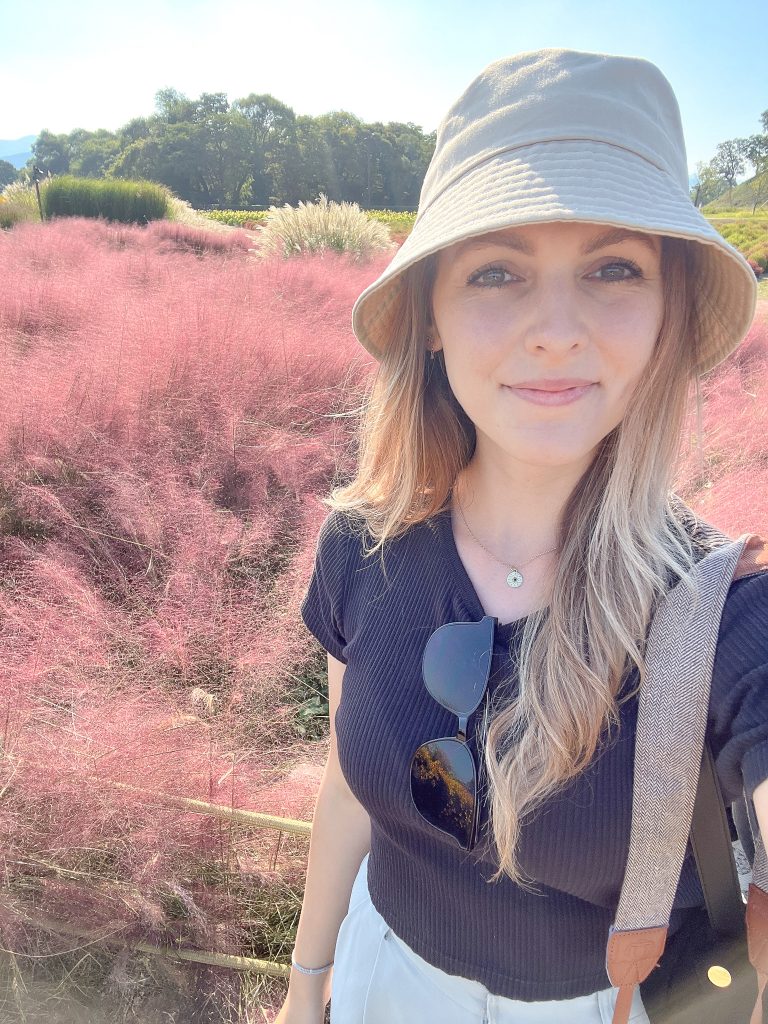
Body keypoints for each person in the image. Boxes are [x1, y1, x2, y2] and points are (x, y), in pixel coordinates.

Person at [274, 49, 766, 1024]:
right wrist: (306, 984)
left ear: (667, 315)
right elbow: (349, 783)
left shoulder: (732, 616)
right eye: (497, 270)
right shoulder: (362, 546)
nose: (555, 328)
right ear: (434, 319)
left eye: (613, 267)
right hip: (383, 976)